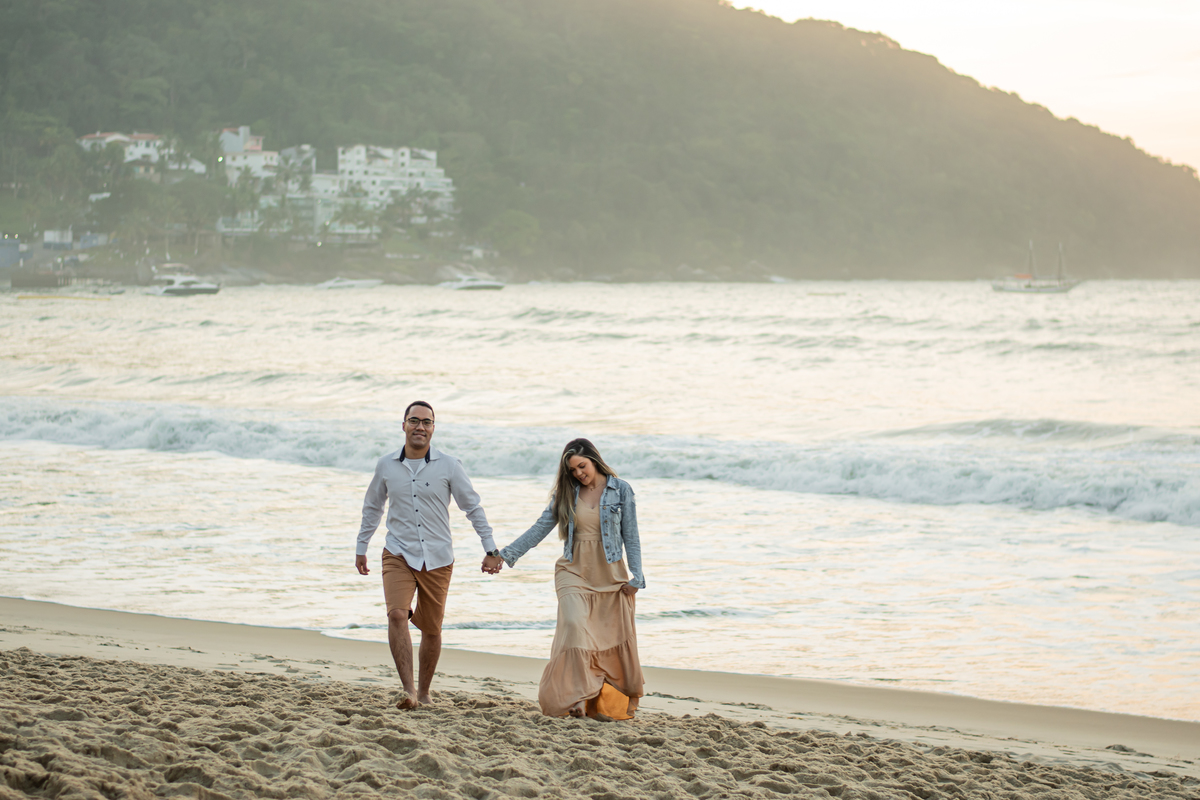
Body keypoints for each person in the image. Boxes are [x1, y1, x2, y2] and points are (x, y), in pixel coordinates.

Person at [483, 438, 645, 719]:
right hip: (573, 570)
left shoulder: (621, 490)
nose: (579, 473)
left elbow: (631, 536)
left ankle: (590, 700)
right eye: (572, 470)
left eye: (582, 466)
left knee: (604, 639)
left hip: (610, 575)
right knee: (574, 627)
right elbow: (539, 528)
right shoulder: (566, 495)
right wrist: (504, 555)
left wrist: (637, 576)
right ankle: (576, 699)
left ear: (594, 460)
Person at [356, 401, 501, 709]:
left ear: (433, 428)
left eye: (427, 422)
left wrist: (490, 548)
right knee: (397, 614)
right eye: (414, 421)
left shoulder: (449, 465)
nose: (420, 426)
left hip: (438, 557)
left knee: (432, 629)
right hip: (397, 552)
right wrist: (362, 546)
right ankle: (408, 691)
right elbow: (373, 507)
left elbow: (472, 506)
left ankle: (424, 692)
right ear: (404, 425)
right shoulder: (386, 465)